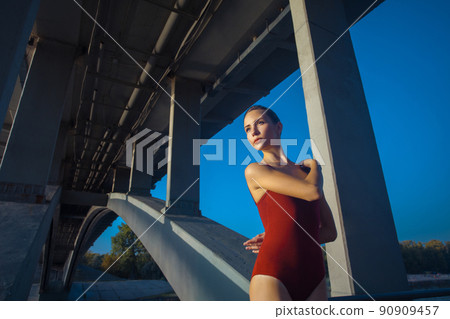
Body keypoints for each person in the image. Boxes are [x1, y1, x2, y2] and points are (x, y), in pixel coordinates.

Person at [241, 105, 337, 301]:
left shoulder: (307, 176)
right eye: (248, 129)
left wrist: (282, 235)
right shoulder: (255, 171)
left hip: (315, 276)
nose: (254, 132)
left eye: (260, 123)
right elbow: (312, 192)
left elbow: (330, 231)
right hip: (273, 273)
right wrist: (315, 165)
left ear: (279, 127)